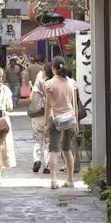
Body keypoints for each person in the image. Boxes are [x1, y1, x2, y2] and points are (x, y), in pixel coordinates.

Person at [44, 56, 79, 190]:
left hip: (56, 119)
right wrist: (76, 121)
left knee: (53, 150)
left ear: (53, 69)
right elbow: (74, 104)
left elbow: (48, 105)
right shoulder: (71, 83)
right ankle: (70, 180)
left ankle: (53, 180)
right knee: (67, 149)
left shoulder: (50, 84)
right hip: (70, 119)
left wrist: (46, 124)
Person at [30, 61, 52, 173]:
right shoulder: (54, 83)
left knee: (37, 139)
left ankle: (37, 160)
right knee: (48, 140)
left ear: (44, 72)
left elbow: (32, 97)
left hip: (38, 114)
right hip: (51, 115)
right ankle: (47, 165)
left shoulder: (39, 83)